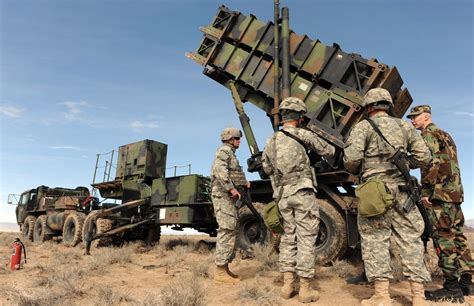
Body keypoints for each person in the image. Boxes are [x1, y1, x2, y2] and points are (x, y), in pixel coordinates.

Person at [343, 88, 432, 306]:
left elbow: (351, 160)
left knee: (375, 241)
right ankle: (419, 297)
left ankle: (382, 297)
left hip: (375, 191)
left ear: (369, 107)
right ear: (388, 105)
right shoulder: (404, 126)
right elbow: (424, 157)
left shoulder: (362, 127)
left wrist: (368, 166)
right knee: (411, 240)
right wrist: (403, 163)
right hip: (404, 191)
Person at [262, 97, 335, 303]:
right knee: (306, 237)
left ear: (283, 116)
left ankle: (287, 286)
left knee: (287, 238)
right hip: (302, 191)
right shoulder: (304, 135)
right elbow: (329, 151)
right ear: (300, 117)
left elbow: (266, 168)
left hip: (283, 195)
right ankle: (305, 289)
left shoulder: (272, 140)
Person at [408, 105, 473, 303]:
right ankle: (466, 283)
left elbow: (430, 164)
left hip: (439, 196)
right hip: (454, 195)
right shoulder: (447, 135)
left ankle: (451, 288)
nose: (412, 120)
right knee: (458, 237)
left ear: (426, 116)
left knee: (443, 238)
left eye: (415, 117)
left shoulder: (428, 136)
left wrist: (427, 192)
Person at [211, 127, 248, 284]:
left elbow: (232, 173)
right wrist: (231, 188)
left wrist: (243, 182)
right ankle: (220, 272)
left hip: (227, 197)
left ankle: (224, 268)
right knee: (226, 229)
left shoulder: (231, 154)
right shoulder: (224, 151)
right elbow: (219, 170)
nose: (239, 141)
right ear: (230, 139)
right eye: (237, 138)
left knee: (231, 228)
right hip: (223, 196)